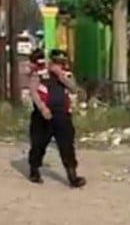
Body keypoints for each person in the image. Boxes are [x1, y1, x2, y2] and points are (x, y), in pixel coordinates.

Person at [26, 48, 87, 188]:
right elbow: (33, 92)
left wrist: (61, 75)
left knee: (67, 145)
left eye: (62, 63)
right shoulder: (40, 73)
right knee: (38, 144)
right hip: (43, 114)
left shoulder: (66, 74)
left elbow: (73, 89)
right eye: (57, 63)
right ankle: (34, 170)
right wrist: (42, 108)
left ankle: (72, 176)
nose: (59, 65)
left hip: (62, 114)